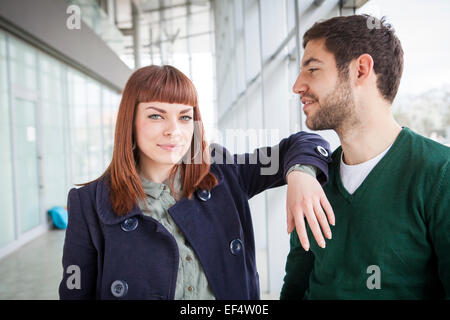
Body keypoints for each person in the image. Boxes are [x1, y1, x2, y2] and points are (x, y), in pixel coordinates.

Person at [59, 65, 334, 300]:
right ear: (130, 122)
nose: (173, 131)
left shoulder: (222, 172)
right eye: (156, 115)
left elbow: (304, 143)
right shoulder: (89, 203)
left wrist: (301, 174)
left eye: (184, 117)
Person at [281, 15, 450, 299]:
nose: (297, 85)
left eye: (312, 69)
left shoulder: (439, 173)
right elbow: (296, 288)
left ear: (360, 70)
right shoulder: (314, 181)